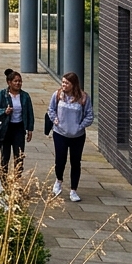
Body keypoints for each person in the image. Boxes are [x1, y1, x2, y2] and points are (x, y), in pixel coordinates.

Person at [48, 72, 94, 202]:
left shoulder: (83, 98)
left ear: (73, 84)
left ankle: (74, 190)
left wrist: (79, 126)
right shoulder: (57, 95)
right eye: (62, 82)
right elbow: (51, 109)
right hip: (60, 133)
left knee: (75, 162)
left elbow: (89, 116)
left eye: (66, 83)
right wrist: (55, 120)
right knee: (60, 160)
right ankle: (58, 181)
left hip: (77, 136)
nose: (63, 85)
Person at [0, 69, 34, 179]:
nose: (18, 83)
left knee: (19, 156)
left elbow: (29, 113)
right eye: (15, 81)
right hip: (5, 129)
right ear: (9, 82)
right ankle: (3, 179)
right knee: (5, 155)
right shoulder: (0, 95)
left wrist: (30, 129)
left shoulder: (25, 96)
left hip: (18, 128)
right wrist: (4, 111)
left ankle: (16, 180)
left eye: (20, 81)